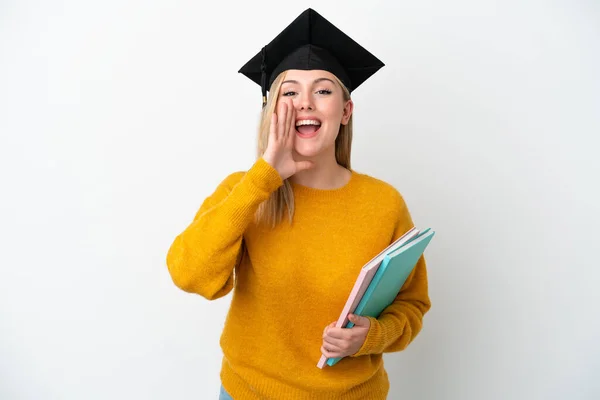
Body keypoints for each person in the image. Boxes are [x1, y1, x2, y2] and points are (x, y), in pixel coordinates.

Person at [166, 8, 431, 400]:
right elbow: (189, 274)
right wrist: (263, 178)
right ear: (272, 111)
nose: (305, 102)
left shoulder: (383, 203)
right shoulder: (245, 191)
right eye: (289, 92)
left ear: (345, 111)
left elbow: (411, 305)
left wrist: (370, 337)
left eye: (323, 90)